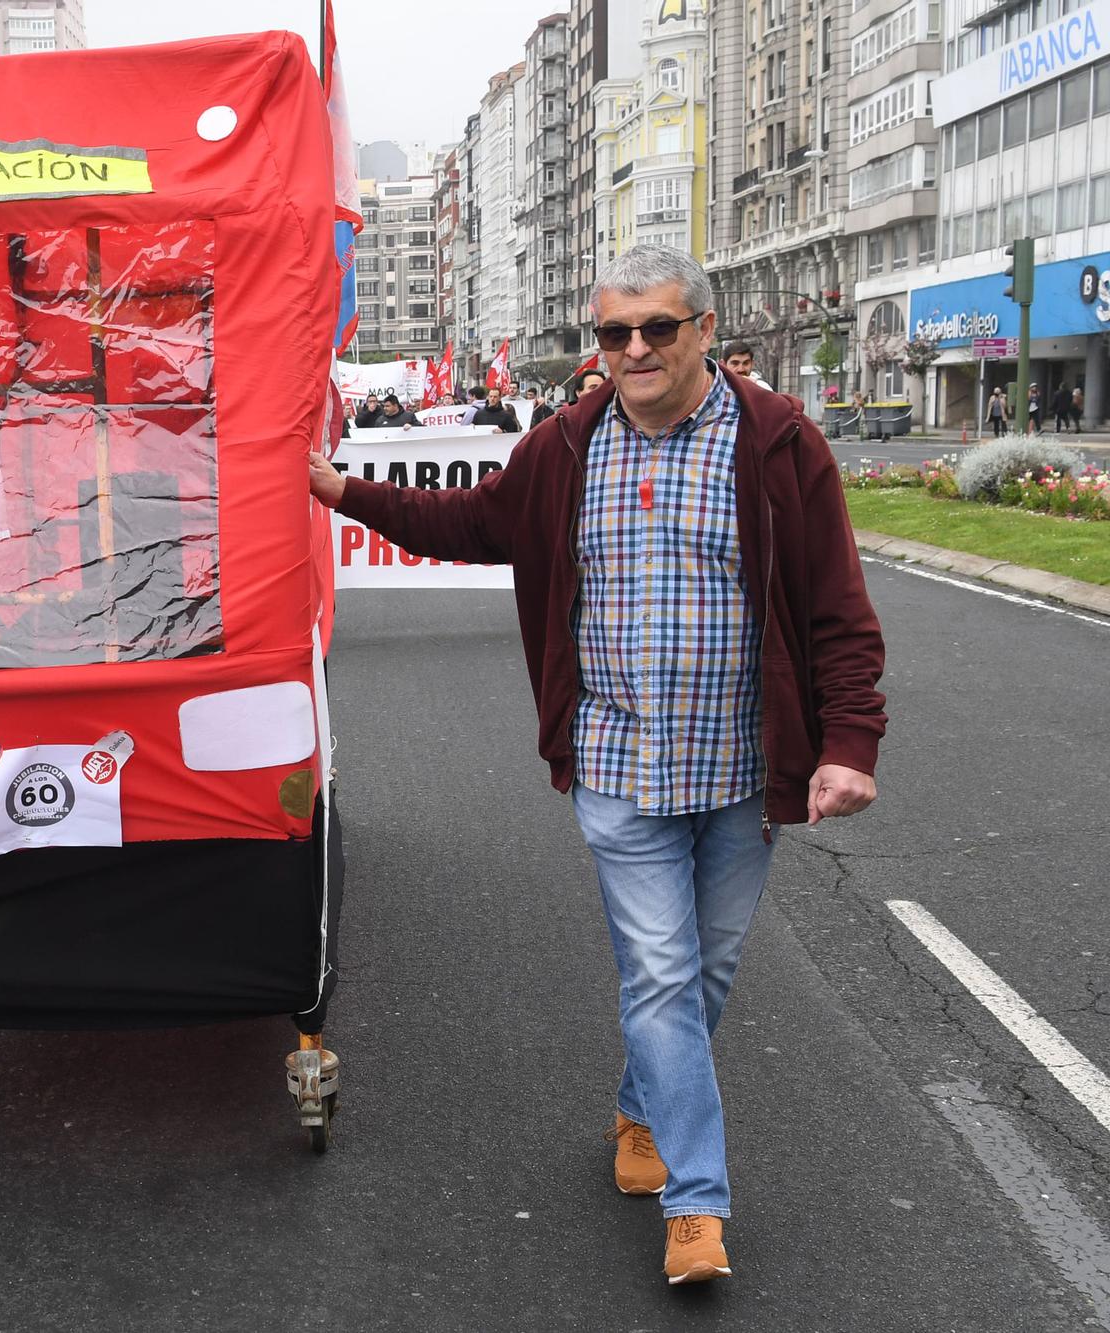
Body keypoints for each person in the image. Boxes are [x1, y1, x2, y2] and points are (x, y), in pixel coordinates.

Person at [306, 245, 886, 1285]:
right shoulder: (564, 445)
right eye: (612, 332)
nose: (632, 350)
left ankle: (638, 1104)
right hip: (617, 765)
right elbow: (471, 522)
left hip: (739, 772)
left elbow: (835, 608)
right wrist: (346, 491)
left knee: (697, 977)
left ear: (702, 331)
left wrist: (847, 744)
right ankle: (696, 1203)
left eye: (655, 328)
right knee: (660, 974)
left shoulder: (777, 443)